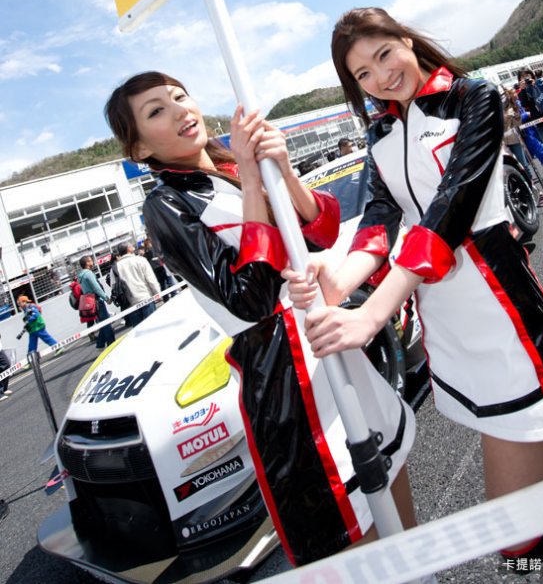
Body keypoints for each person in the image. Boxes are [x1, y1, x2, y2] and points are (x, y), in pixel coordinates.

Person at [285, 8, 543, 560]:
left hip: (501, 314)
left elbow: (450, 210)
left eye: (384, 54)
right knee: (535, 479)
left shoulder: (473, 97)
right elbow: (379, 220)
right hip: (446, 327)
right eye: (363, 73)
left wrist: (373, 314)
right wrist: (338, 281)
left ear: (406, 40)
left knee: (518, 543)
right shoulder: (380, 131)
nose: (381, 76)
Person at [104, 71, 415, 567]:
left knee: (390, 472)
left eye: (180, 96)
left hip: (326, 337)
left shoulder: (229, 168)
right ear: (139, 148)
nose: (180, 110)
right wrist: (251, 179)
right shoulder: (165, 205)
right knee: (349, 521)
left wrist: (282, 169)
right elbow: (248, 297)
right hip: (283, 372)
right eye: (156, 111)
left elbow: (320, 231)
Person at [112, 242, 160, 327]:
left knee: (139, 331)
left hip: (130, 304)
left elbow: (113, 286)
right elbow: (151, 280)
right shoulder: (140, 260)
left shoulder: (116, 267)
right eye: (131, 246)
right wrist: (157, 293)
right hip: (146, 297)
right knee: (153, 327)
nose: (133, 247)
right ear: (128, 249)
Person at [77, 254, 115, 349]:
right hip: (97, 301)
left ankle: (100, 344)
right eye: (91, 260)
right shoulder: (88, 274)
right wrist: (106, 298)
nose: (92, 262)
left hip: (90, 302)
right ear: (87, 263)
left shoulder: (81, 276)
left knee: (102, 323)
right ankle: (111, 344)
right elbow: (96, 288)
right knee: (106, 323)